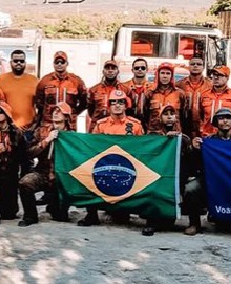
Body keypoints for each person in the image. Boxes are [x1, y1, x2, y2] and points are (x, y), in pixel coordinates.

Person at [80, 89, 144, 227]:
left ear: (126, 105)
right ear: (108, 106)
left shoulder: (135, 125)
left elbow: (142, 150)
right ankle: (91, 215)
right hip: (105, 166)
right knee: (85, 174)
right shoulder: (101, 125)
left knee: (121, 218)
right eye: (113, 102)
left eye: (120, 102)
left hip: (127, 169)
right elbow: (93, 148)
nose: (117, 105)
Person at [191, 107, 231, 233]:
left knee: (225, 227)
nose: (225, 121)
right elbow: (196, 163)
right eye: (221, 118)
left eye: (228, 118)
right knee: (191, 188)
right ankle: (194, 224)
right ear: (216, 123)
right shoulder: (208, 141)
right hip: (210, 178)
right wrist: (194, 148)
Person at [18, 103, 74, 226]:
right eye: (55, 110)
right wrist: (46, 141)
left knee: (60, 216)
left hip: (61, 176)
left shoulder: (72, 136)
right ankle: (30, 216)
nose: (55, 112)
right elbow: (29, 153)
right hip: (42, 172)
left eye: (60, 111)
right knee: (25, 183)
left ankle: (54, 205)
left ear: (66, 117)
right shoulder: (42, 131)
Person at [143, 105, 188, 236]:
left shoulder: (182, 137)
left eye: (172, 114)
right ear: (160, 118)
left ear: (176, 118)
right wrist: (164, 139)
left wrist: (178, 139)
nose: (169, 117)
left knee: (168, 223)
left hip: (175, 176)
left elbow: (188, 152)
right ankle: (150, 222)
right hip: (157, 175)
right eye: (165, 114)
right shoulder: (153, 136)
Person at [34, 51, 87, 131]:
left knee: (68, 143)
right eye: (57, 62)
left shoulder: (76, 81)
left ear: (67, 63)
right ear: (53, 64)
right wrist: (49, 112)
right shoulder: (45, 81)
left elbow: (85, 102)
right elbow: (39, 102)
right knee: (47, 142)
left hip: (69, 124)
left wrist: (72, 113)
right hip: (48, 123)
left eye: (62, 62)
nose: (59, 64)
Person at [0, 50, 39, 131]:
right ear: (11, 62)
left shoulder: (34, 80)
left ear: (25, 62)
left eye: (21, 61)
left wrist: (35, 125)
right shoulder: (1, 79)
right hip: (7, 129)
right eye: (15, 61)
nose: (18, 63)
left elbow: (41, 106)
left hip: (28, 129)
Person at [199, 65, 231, 137]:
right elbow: (200, 116)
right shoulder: (204, 95)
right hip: (208, 137)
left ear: (227, 78)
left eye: (220, 75)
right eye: (214, 75)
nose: (216, 77)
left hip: (228, 139)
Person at [86, 60, 129, 132]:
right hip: (97, 126)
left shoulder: (126, 90)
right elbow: (90, 110)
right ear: (103, 71)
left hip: (119, 126)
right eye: (107, 68)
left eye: (113, 68)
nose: (110, 71)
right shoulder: (94, 90)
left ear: (118, 71)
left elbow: (129, 108)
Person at [144, 62, 185, 134]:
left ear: (172, 76)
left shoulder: (180, 93)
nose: (165, 76)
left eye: (168, 73)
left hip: (174, 133)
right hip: (155, 133)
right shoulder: (149, 93)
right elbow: (145, 114)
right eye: (162, 73)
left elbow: (184, 115)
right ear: (158, 75)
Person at [176, 56, 212, 138]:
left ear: (203, 67)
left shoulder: (210, 85)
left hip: (205, 130)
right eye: (193, 64)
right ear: (188, 66)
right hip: (184, 128)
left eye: (199, 64)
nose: (195, 66)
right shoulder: (179, 85)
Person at [122, 58, 152, 126]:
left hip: (148, 124)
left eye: (143, 68)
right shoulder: (124, 87)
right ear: (132, 70)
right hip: (127, 123)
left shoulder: (153, 88)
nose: (140, 69)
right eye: (137, 68)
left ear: (147, 70)